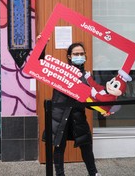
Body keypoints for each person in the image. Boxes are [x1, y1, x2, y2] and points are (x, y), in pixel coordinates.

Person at [40, 42, 101, 176]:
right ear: (69, 56)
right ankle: (59, 174)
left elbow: (92, 99)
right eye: (75, 54)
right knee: (59, 146)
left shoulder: (87, 77)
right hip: (59, 115)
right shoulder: (59, 72)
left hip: (78, 116)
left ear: (85, 56)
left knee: (86, 145)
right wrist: (42, 44)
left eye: (81, 54)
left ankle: (94, 173)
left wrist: (104, 110)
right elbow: (40, 63)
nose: (79, 56)